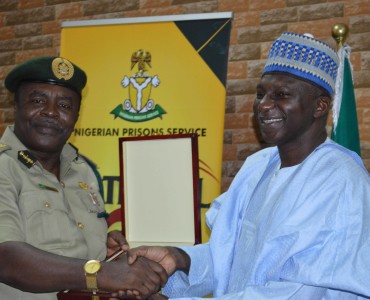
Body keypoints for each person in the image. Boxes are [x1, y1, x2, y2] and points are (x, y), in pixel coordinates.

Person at [127, 32, 370, 299]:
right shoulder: (258, 165)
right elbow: (226, 253)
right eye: (261, 94)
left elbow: (299, 291)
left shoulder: (341, 180)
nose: (264, 106)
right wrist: (178, 258)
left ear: (320, 106)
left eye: (281, 95)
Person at [0, 56, 167, 300]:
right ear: (15, 107)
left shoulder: (82, 170)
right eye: (37, 101)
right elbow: (6, 258)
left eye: (65, 106)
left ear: (76, 117)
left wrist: (108, 253)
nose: (51, 112)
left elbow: (81, 256)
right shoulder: (4, 167)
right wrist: (104, 273)